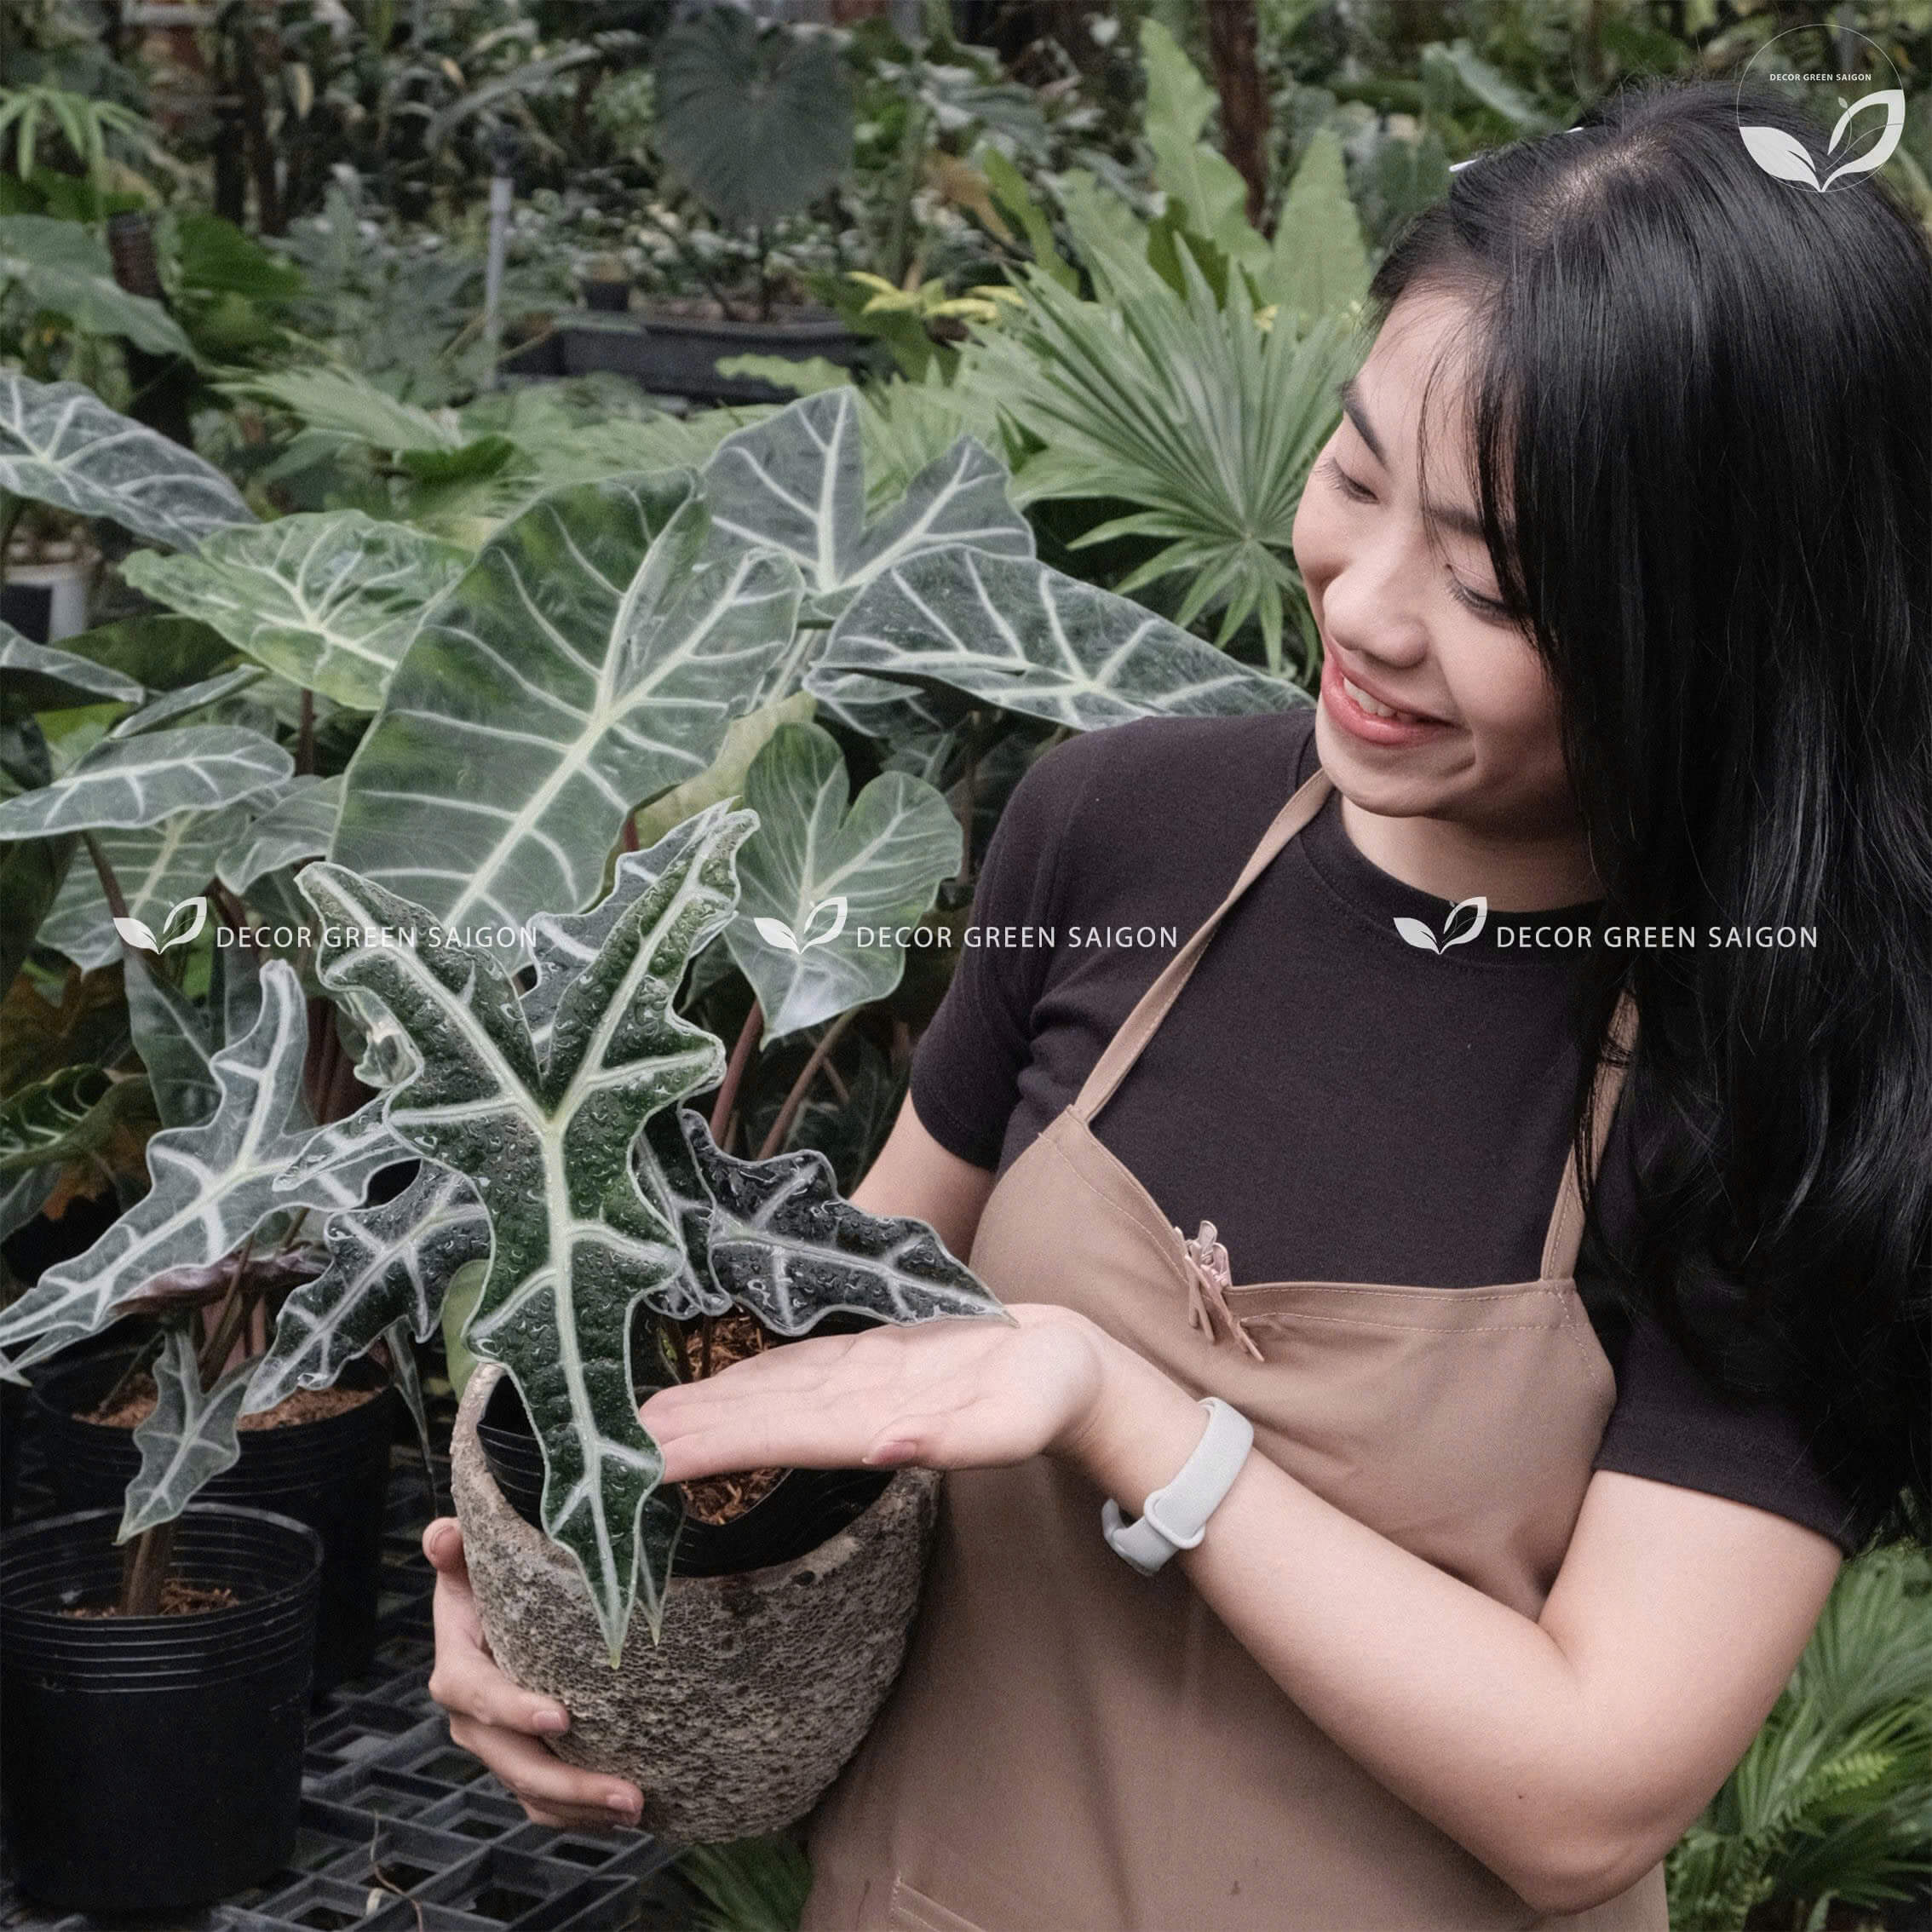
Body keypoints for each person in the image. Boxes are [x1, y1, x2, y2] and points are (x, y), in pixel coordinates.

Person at [420, 74, 1932, 1930]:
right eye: (1356, 476)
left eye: (1493, 579)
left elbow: (1587, 1795)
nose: (1366, 608)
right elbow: (832, 1375)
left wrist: (1128, 1411)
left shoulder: (1779, 1071)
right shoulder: (1114, 830)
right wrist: (550, 1592)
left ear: (1725, 621)